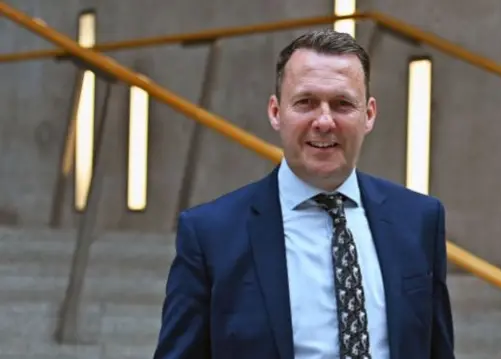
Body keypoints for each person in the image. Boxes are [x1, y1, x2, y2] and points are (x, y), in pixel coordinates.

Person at [153, 29, 455, 359]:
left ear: (368, 114)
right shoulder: (211, 234)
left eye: (342, 104)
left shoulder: (419, 220)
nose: (324, 121)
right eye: (305, 102)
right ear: (275, 112)